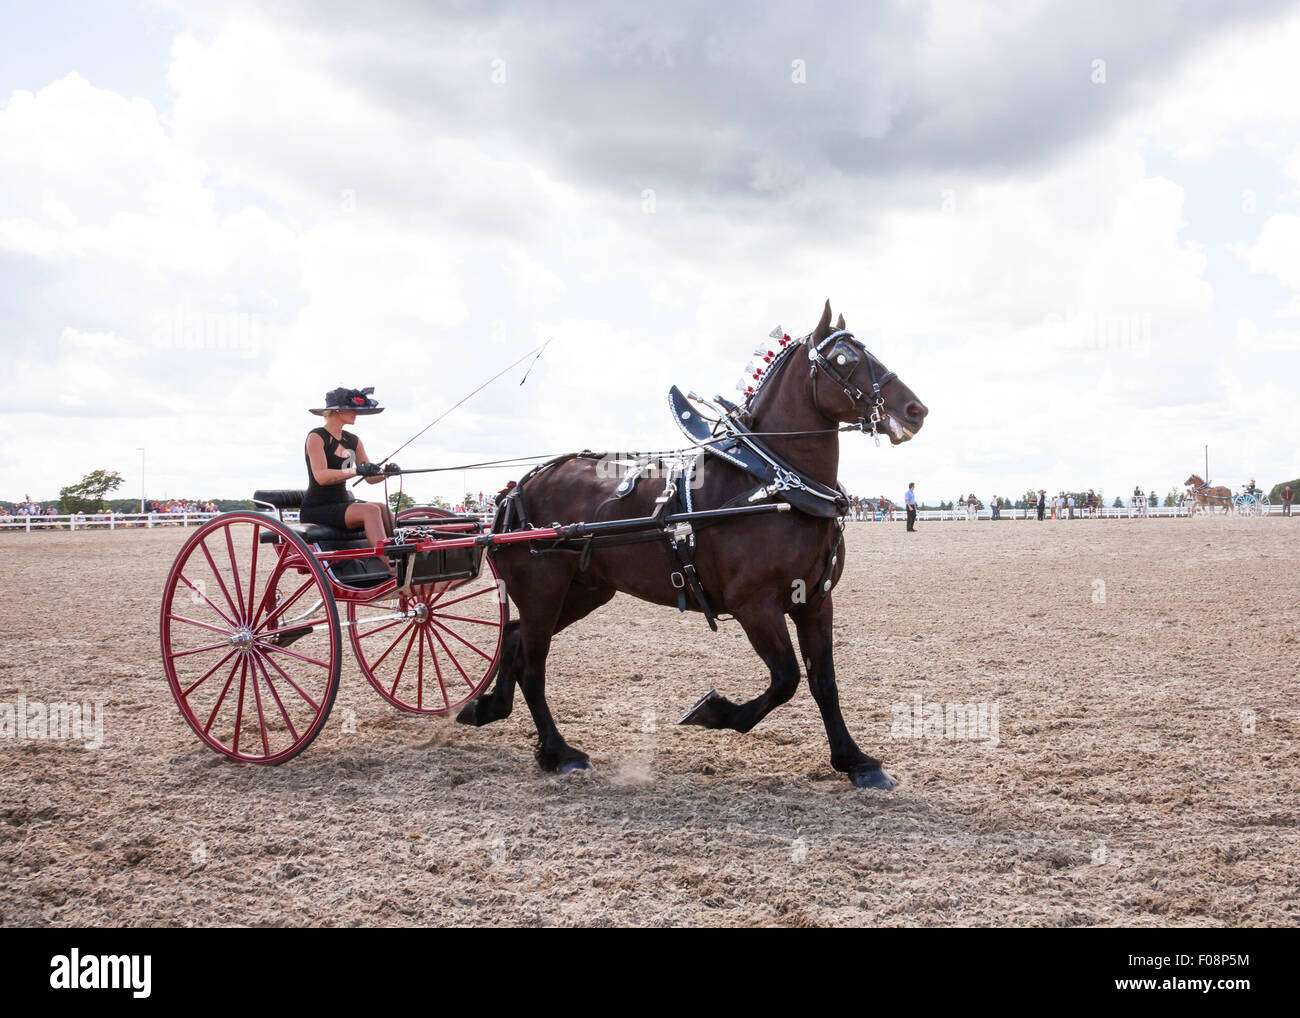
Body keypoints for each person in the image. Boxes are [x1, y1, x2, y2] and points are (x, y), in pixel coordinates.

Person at [303, 386, 400, 577]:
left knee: (382, 507)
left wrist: (386, 473)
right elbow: (321, 476)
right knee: (371, 510)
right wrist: (356, 470)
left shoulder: (353, 440)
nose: (356, 413)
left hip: (342, 503)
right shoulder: (316, 437)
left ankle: (402, 554)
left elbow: (370, 478)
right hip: (318, 507)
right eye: (352, 408)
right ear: (337, 410)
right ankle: (392, 566)